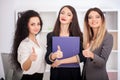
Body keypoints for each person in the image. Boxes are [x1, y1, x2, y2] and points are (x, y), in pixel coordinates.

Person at [45, 5, 84, 80]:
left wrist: (61, 62)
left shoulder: (79, 35)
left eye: (68, 14)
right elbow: (47, 59)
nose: (64, 16)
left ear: (72, 19)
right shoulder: (51, 35)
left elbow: (82, 57)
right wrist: (54, 55)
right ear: (59, 15)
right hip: (57, 74)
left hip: (73, 74)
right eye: (62, 13)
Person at [11, 10, 46, 80]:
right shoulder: (24, 44)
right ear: (26, 26)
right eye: (32, 24)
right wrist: (30, 59)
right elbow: (24, 67)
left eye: (38, 24)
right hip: (29, 78)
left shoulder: (40, 42)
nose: (36, 27)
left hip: (40, 76)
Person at [82, 7, 113, 80]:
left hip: (98, 77)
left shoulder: (108, 37)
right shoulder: (87, 37)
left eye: (97, 17)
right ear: (87, 21)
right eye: (90, 17)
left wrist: (91, 55)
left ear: (102, 20)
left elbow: (102, 63)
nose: (94, 20)